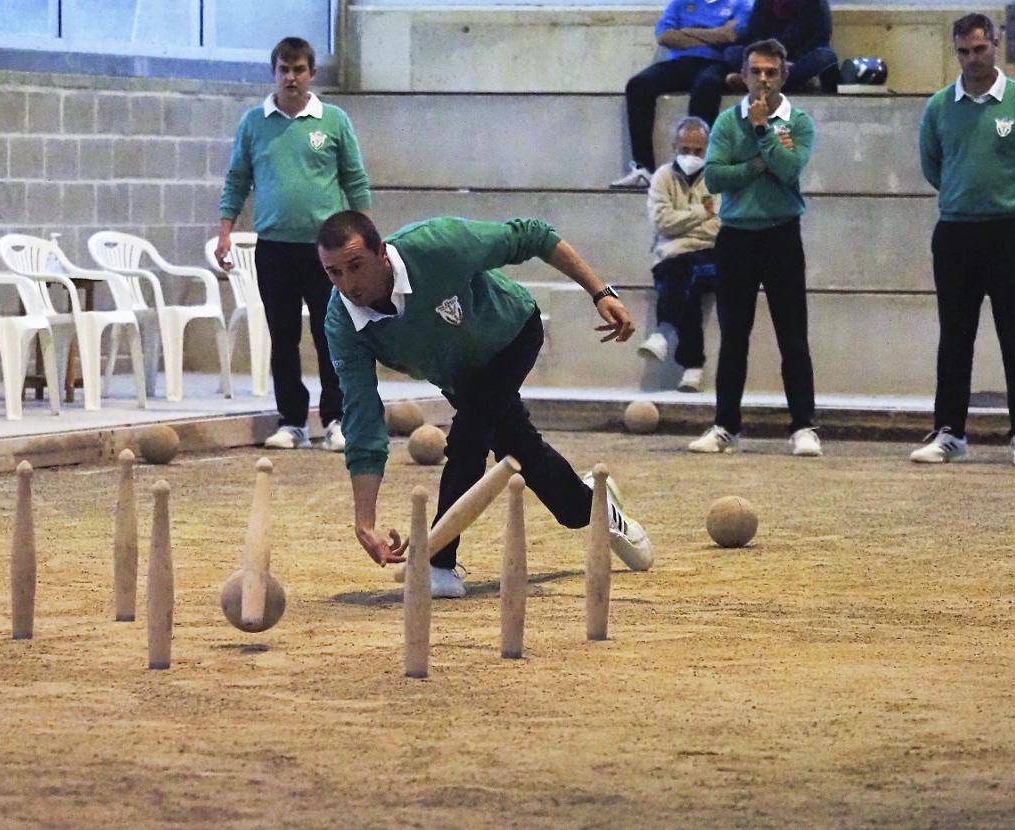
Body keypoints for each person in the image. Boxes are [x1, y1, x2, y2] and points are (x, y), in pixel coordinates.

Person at [317, 211, 653, 598]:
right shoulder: (342, 323)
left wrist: (601, 293)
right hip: (460, 375)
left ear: (382, 254)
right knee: (522, 450)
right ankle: (593, 506)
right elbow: (362, 415)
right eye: (334, 273)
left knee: (468, 439)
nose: (348, 284)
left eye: (355, 266)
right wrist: (365, 520)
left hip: (513, 334)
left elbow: (534, 235)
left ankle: (437, 562)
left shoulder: (436, 245)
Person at [218, 36, 370, 452]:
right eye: (283, 69)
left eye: (298, 69)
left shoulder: (333, 120)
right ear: (274, 73)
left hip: (328, 251)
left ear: (311, 74)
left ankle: (337, 418)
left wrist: (368, 237)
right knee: (282, 336)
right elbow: (237, 180)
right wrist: (225, 230)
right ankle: (292, 421)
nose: (291, 77)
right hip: (274, 248)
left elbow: (354, 179)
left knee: (331, 334)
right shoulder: (254, 123)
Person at [688, 38, 822, 457]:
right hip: (737, 237)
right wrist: (757, 164)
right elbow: (715, 177)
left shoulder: (797, 122)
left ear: (784, 75)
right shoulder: (728, 123)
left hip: (781, 234)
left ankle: (803, 426)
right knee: (734, 336)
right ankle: (726, 425)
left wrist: (764, 131)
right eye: (756, 71)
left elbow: (789, 168)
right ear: (743, 75)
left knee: (793, 336)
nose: (763, 80)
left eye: (771, 72)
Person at [911, 13, 1015, 466]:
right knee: (955, 336)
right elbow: (932, 165)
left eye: (979, 49)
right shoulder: (940, 107)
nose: (972, 59)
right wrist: (964, 195)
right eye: (963, 51)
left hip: (1011, 231)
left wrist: (1010, 197)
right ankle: (950, 433)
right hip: (956, 233)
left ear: (996, 44)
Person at [611, 0, 754, 190]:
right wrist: (714, 34)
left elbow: (729, 36)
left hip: (714, 63)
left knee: (707, 86)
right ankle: (643, 169)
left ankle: (700, 166)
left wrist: (686, 31)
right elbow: (664, 36)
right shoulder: (680, 3)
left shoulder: (741, 4)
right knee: (638, 85)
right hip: (679, 62)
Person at [637, 115, 721, 392]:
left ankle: (663, 333)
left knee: (685, 271)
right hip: (675, 259)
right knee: (685, 277)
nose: (691, 155)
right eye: (685, 149)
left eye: (698, 150)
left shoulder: (716, 177)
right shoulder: (662, 177)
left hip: (709, 256)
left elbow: (718, 226)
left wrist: (681, 228)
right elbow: (662, 221)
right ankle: (692, 368)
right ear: (674, 146)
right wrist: (700, 212)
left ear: (707, 148)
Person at [722, 0, 839, 95]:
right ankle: (793, 82)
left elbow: (821, 37)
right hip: (767, 59)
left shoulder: (816, 3)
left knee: (825, 56)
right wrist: (773, 59)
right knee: (731, 53)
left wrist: (789, 62)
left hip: (798, 60)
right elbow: (755, 33)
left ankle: (755, 83)